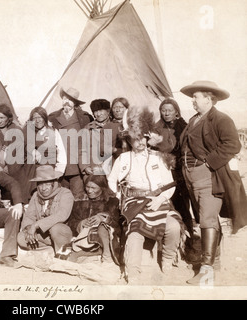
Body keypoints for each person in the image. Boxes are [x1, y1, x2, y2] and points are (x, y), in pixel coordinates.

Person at [179, 80, 247, 285]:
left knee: (207, 219)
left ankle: (206, 270)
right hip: (191, 177)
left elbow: (233, 145)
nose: (193, 100)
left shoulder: (221, 119)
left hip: (208, 176)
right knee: (205, 219)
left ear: (209, 99)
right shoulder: (193, 120)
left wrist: (209, 164)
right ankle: (215, 263)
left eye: (196, 96)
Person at [107, 107, 184, 284]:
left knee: (173, 227)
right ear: (130, 140)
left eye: (142, 138)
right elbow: (112, 181)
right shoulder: (124, 159)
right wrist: (121, 198)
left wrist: (160, 199)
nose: (139, 142)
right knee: (135, 233)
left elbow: (169, 184)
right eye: (135, 139)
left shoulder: (158, 158)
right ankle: (132, 273)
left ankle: (167, 259)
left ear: (147, 138)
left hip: (158, 201)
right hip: (134, 202)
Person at [154, 98, 195, 245]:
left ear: (176, 111)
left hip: (180, 172)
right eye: (163, 110)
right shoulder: (156, 129)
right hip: (163, 172)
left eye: (169, 110)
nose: (166, 113)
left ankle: (189, 242)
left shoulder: (184, 127)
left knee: (183, 206)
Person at [17, 165, 74, 255]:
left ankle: (64, 252)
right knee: (21, 237)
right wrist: (29, 228)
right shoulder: (36, 195)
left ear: (54, 183)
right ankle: (52, 249)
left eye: (47, 184)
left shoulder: (65, 193)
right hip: (45, 236)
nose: (43, 188)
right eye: (40, 184)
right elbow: (29, 216)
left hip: (60, 232)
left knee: (56, 229)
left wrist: (36, 225)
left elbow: (62, 214)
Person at [66, 175, 121, 266]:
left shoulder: (112, 201)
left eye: (93, 188)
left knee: (103, 228)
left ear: (102, 187)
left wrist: (103, 218)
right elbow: (71, 221)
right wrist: (80, 223)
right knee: (69, 257)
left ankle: (107, 256)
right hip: (82, 237)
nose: (89, 190)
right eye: (87, 187)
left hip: (103, 239)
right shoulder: (79, 199)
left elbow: (117, 224)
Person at [48, 87, 93, 199]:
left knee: (77, 198)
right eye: (64, 99)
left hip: (77, 166)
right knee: (60, 198)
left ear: (75, 103)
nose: (66, 102)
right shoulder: (53, 117)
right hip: (59, 165)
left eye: (70, 100)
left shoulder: (84, 118)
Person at [23, 106, 67, 199]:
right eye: (34, 118)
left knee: (50, 196)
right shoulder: (27, 132)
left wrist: (59, 170)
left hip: (49, 169)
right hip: (32, 171)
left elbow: (61, 151)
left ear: (45, 118)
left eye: (40, 117)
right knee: (33, 195)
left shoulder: (53, 131)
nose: (37, 120)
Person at [80, 99, 113, 176]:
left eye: (101, 110)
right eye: (95, 111)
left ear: (108, 111)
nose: (98, 114)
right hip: (93, 170)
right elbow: (82, 150)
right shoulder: (88, 128)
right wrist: (85, 167)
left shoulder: (114, 126)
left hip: (111, 170)